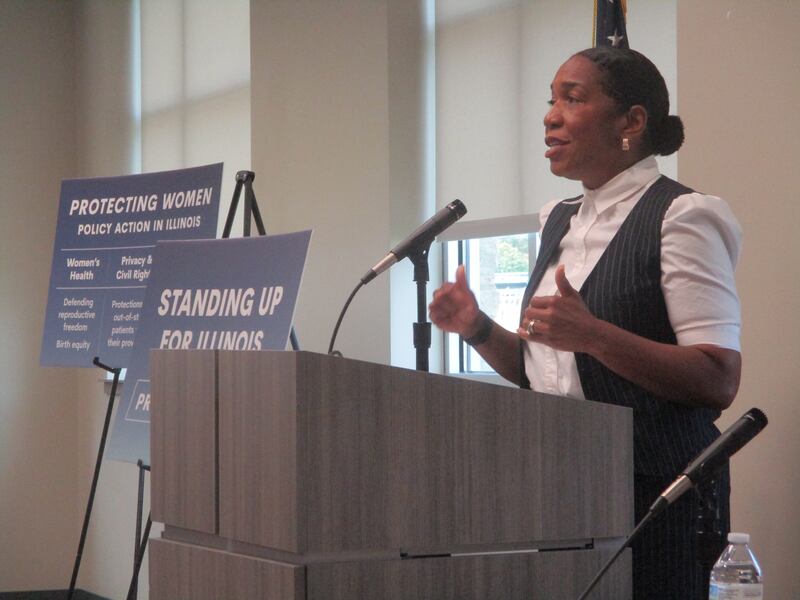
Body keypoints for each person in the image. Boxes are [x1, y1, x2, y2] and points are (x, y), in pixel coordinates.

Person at [429, 47, 742, 600]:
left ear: (632, 121)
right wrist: (477, 327)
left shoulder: (683, 215)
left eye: (572, 98)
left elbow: (717, 378)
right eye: (551, 100)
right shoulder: (559, 219)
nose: (551, 115)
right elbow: (543, 373)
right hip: (558, 483)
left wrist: (594, 335)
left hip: (657, 497)